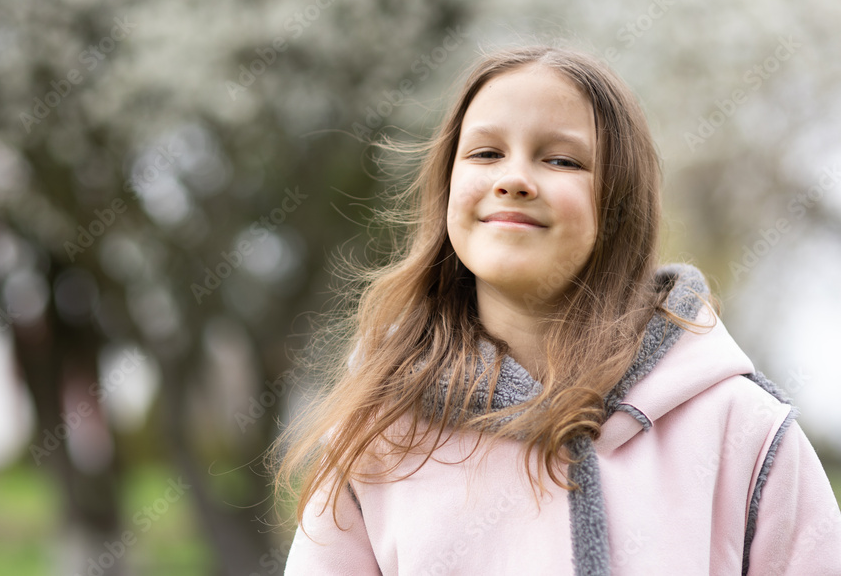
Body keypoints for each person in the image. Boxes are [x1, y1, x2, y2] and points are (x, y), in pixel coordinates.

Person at [274, 46, 841, 574]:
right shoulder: (378, 434)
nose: (514, 180)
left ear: (619, 201)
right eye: (486, 153)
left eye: (562, 160)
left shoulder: (743, 430)